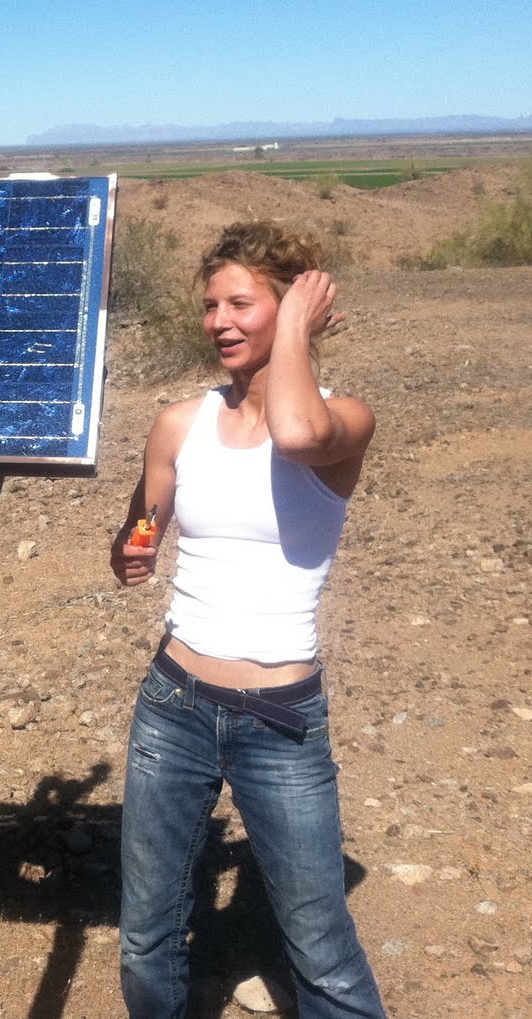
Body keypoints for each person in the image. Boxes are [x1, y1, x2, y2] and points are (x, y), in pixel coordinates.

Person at [109, 221, 385, 1018]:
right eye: (209, 305)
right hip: (173, 704)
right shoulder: (178, 423)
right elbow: (139, 528)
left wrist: (297, 323)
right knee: (147, 937)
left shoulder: (344, 422)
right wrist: (132, 551)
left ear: (295, 304)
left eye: (241, 303)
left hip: (280, 719)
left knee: (322, 952)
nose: (218, 321)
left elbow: (295, 434)